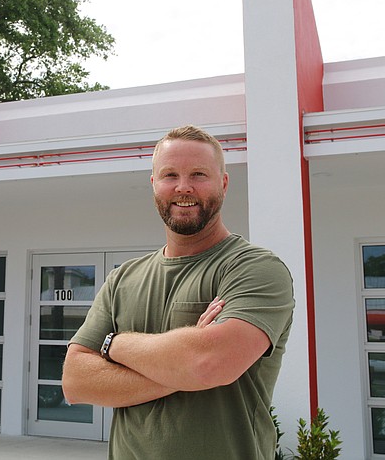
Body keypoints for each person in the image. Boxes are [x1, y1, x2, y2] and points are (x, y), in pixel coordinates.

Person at [62, 125, 295, 460]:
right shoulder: (122, 279)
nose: (183, 187)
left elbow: (208, 364)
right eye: (170, 174)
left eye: (198, 174)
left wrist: (115, 345)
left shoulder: (255, 269)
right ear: (153, 184)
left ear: (223, 184)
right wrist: (182, 366)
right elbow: (76, 381)